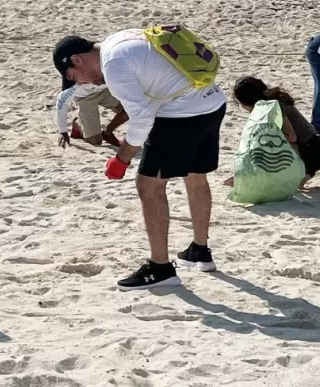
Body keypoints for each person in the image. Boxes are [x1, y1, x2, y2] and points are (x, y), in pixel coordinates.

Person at [54, 30, 227, 289]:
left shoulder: (112, 65)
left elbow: (142, 119)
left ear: (76, 60)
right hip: (212, 101)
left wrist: (122, 159)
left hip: (182, 113)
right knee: (195, 175)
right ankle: (199, 251)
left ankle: (160, 268)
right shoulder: (121, 38)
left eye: (72, 78)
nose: (81, 84)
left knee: (149, 185)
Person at [230, 76, 320, 188]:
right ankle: (303, 175)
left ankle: (301, 172)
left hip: (311, 153)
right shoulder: (268, 104)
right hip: (312, 151)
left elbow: (291, 136)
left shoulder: (274, 106)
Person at [55, 81, 127, 148]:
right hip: (85, 97)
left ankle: (107, 133)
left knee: (130, 109)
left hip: (104, 90)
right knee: (95, 141)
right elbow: (62, 100)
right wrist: (63, 131)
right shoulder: (77, 82)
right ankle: (78, 124)